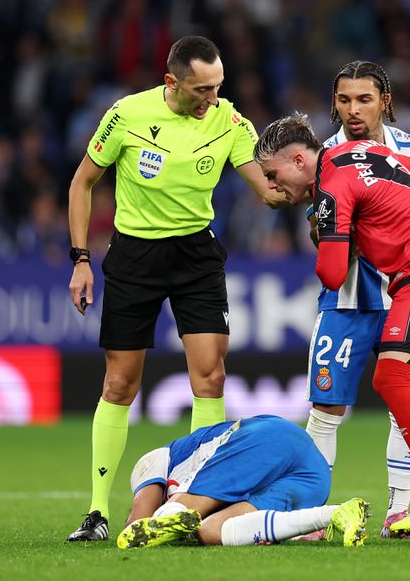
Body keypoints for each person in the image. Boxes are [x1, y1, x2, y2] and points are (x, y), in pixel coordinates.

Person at [65, 36, 286, 542]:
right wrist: (80, 260)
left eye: (218, 87)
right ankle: (97, 512)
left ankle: (191, 504)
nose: (212, 99)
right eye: (202, 90)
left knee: (211, 376)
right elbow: (82, 183)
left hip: (195, 256)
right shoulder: (126, 115)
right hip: (135, 256)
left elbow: (269, 191)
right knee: (120, 384)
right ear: (171, 82)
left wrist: (316, 189)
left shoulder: (230, 122)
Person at [254, 113, 410, 543]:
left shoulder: (329, 186)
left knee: (389, 378)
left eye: (273, 175)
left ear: (299, 160)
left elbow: (333, 273)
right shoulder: (365, 150)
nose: (271, 186)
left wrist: (335, 229)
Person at [304, 60, 410, 539]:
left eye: (364, 99)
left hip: (404, 294)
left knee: (406, 404)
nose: (353, 110)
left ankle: (399, 514)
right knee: (326, 409)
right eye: (344, 100)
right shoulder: (325, 154)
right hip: (346, 298)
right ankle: (312, 515)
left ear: (384, 101)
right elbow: (317, 229)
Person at [117, 415, 370, 548]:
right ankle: (335, 513)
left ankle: (171, 515)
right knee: (210, 531)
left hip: (268, 437)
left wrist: (145, 517)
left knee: (182, 510)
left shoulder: (154, 461)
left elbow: (138, 523)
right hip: (313, 477)